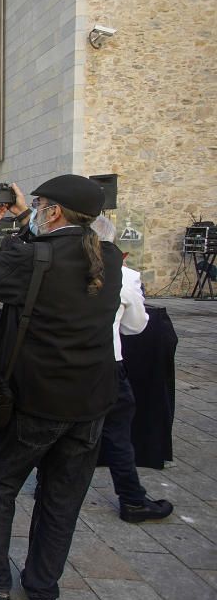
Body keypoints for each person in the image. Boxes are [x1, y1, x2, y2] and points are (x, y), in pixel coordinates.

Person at [0, 176, 122, 600]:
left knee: (0, 484)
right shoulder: (108, 257)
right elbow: (60, 244)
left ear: (53, 212)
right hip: (90, 402)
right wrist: (27, 218)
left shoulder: (34, 259)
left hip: (37, 401)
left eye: (39, 204)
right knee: (61, 499)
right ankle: (43, 590)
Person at [90, 216, 173, 523]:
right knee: (116, 434)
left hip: (64, 365)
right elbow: (136, 326)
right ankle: (132, 499)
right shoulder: (123, 277)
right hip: (106, 364)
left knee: (60, 429)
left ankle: (46, 484)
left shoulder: (57, 269)